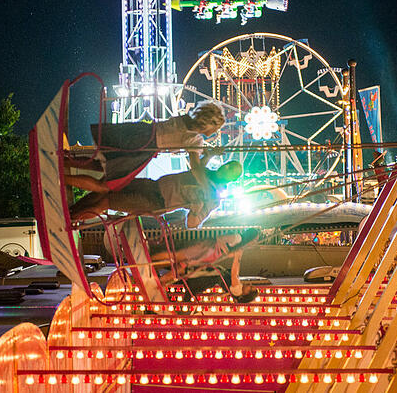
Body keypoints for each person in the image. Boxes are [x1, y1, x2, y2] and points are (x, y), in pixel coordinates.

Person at [66, 101, 225, 192]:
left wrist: (209, 155)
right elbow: (196, 168)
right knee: (108, 185)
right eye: (216, 128)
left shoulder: (184, 119)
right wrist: (208, 189)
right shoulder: (194, 139)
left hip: (141, 132)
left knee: (102, 163)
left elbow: (195, 163)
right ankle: (63, 179)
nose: (216, 132)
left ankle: (65, 162)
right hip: (145, 148)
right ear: (207, 124)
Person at [69, 159, 241, 229]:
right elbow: (195, 162)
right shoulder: (206, 171)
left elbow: (193, 224)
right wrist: (208, 155)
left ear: (231, 179)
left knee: (108, 201)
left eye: (229, 171)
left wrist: (196, 210)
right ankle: (71, 210)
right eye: (227, 165)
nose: (225, 168)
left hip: (156, 202)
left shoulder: (215, 198)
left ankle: (70, 219)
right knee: (108, 187)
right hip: (153, 184)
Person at [151, 229, 260, 303]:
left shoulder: (238, 291)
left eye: (250, 288)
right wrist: (236, 255)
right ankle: (158, 273)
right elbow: (220, 239)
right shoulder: (237, 239)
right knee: (181, 261)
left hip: (210, 254)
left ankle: (158, 273)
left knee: (182, 262)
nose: (249, 285)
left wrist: (237, 257)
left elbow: (234, 274)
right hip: (210, 252)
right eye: (254, 240)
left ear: (246, 294)